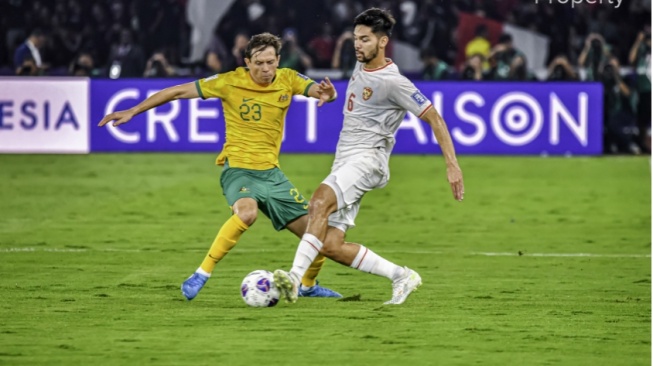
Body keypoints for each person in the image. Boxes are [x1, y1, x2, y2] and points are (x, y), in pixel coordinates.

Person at [98, 33, 343, 301]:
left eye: (270, 62)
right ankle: (201, 273)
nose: (265, 69)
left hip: (272, 175)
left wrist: (328, 95)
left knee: (319, 233)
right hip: (238, 170)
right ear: (247, 62)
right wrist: (133, 110)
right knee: (247, 213)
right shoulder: (228, 81)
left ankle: (308, 285)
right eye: (259, 63)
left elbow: (318, 92)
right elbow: (177, 91)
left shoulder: (288, 79)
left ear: (278, 60)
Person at [273, 8, 464, 305]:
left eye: (365, 39)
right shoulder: (361, 64)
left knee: (318, 202)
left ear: (383, 41)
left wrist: (452, 166)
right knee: (330, 245)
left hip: (368, 160)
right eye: (356, 39)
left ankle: (294, 280)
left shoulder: (393, 81)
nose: (357, 45)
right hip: (345, 159)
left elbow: (435, 118)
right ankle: (402, 275)